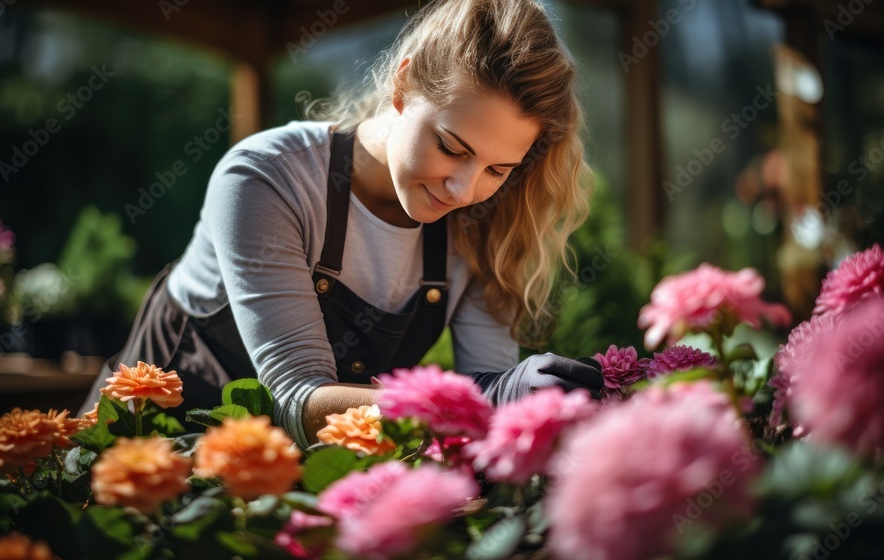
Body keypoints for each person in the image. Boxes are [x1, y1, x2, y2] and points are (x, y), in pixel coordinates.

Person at [79, 0, 603, 449]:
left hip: (288, 493)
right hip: (137, 463)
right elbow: (297, 397)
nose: (463, 191)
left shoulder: (485, 222)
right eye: (450, 147)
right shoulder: (267, 177)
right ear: (403, 85)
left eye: (496, 169)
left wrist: (518, 401)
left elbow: (484, 392)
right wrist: (488, 400)